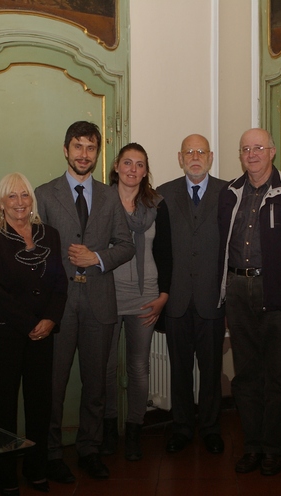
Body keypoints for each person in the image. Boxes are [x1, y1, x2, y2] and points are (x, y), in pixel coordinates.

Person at [35, 121, 135, 482]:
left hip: (99, 303)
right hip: (59, 306)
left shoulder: (110, 196)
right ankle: (50, 453)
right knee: (54, 385)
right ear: (66, 150)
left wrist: (97, 258)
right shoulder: (44, 194)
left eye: (91, 148)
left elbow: (127, 245)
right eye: (77, 147)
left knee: (95, 385)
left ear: (97, 153)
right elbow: (35, 252)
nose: (83, 154)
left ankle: (90, 449)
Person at [218, 128, 281, 477]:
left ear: (272, 151)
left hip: (278, 293)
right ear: (240, 155)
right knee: (245, 375)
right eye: (246, 148)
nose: (252, 153)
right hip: (238, 291)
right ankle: (253, 445)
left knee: (276, 376)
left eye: (259, 147)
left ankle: (274, 448)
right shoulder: (229, 194)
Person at [0, 172, 67, 496]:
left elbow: (60, 284)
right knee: (2, 408)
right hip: (4, 334)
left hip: (43, 334)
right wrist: (31, 322)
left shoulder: (50, 235)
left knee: (39, 404)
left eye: (25, 195)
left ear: (32, 200)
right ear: (1, 203)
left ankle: (36, 468)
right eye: (12, 197)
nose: (19, 202)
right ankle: (3, 475)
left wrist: (50, 320)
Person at [156, 134, 227, 455]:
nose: (195, 156)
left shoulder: (228, 193)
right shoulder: (162, 195)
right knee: (179, 370)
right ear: (180, 157)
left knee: (212, 371)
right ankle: (182, 427)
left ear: (210, 157)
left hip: (213, 299)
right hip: (178, 300)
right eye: (189, 152)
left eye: (201, 151)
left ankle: (211, 428)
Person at [100, 143, 172, 461]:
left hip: (146, 297)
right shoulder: (101, 202)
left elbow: (168, 253)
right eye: (127, 163)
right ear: (116, 166)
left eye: (139, 164)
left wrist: (163, 297)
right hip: (108, 296)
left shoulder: (157, 205)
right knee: (105, 368)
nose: (133, 169)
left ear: (145, 170)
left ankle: (134, 431)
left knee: (139, 368)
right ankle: (107, 430)